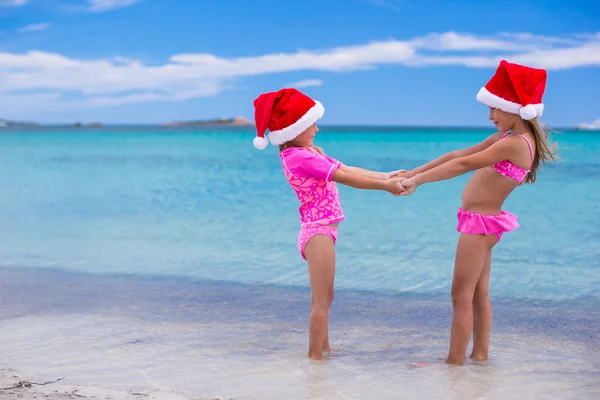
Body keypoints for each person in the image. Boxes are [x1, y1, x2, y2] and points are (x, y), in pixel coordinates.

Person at [391, 60, 557, 365]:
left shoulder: (517, 144)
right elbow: (458, 154)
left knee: (460, 295)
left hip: (479, 226)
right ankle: (480, 357)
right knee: (479, 293)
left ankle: (453, 363)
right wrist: (413, 170)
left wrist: (417, 182)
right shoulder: (506, 138)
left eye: (495, 107)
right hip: (484, 223)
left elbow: (464, 165)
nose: (490, 115)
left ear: (517, 108)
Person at [252, 88, 406, 360]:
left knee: (323, 298)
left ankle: (325, 350)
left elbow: (346, 168)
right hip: (318, 232)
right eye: (311, 123)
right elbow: (344, 178)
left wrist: (385, 176)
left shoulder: (306, 153)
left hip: (321, 231)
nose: (316, 128)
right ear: (292, 127)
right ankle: (315, 358)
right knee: (322, 300)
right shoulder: (299, 157)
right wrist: (385, 188)